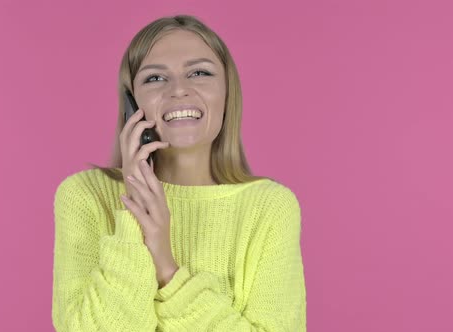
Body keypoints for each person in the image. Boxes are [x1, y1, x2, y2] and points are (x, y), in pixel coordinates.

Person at [51, 14, 306, 331]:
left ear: (227, 94)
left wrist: (166, 269)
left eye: (200, 73)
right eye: (155, 79)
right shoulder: (85, 196)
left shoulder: (270, 207)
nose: (179, 91)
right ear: (132, 102)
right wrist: (135, 213)